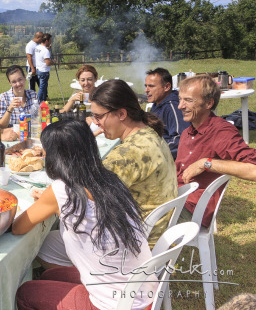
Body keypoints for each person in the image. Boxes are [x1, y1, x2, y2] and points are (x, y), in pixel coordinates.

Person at [13, 120, 156, 310]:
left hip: (115, 308)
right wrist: (53, 202)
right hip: (144, 296)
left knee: (26, 292)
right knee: (51, 275)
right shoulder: (110, 180)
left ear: (55, 157)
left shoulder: (62, 190)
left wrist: (51, 200)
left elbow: (18, 228)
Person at [90, 79, 178, 245]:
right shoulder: (149, 131)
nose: (96, 122)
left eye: (99, 116)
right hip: (157, 233)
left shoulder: (127, 154)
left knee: (50, 244)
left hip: (137, 242)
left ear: (122, 114)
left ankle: (85, 271)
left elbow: (85, 197)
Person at [176, 74, 256, 226]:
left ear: (208, 103)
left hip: (193, 211)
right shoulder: (188, 132)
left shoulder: (221, 132)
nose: (180, 106)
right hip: (178, 199)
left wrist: (206, 163)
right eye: (180, 99)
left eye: (188, 100)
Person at [145, 67, 190, 159]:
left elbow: (180, 140)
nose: (146, 90)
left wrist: (153, 151)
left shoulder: (173, 107)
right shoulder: (158, 103)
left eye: (151, 86)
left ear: (167, 87)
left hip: (167, 161)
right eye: (145, 86)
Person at [0, 65, 39, 137]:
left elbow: (38, 118)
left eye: (20, 79)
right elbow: (0, 126)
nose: (18, 84)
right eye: (14, 82)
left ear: (24, 77)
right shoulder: (3, 98)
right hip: (12, 138)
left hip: (31, 136)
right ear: (10, 83)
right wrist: (10, 109)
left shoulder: (33, 95)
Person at [34, 33, 55, 102]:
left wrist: (48, 48)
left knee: (43, 86)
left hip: (38, 70)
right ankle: (38, 101)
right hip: (44, 71)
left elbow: (42, 54)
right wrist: (53, 62)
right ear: (46, 41)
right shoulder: (45, 51)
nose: (51, 42)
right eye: (50, 40)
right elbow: (48, 63)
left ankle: (43, 100)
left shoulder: (38, 47)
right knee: (42, 88)